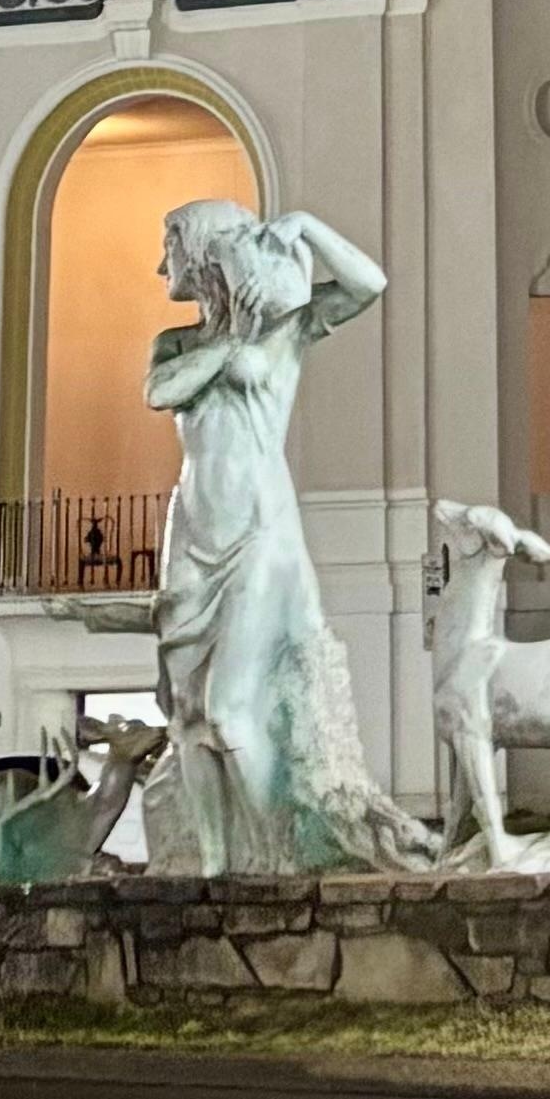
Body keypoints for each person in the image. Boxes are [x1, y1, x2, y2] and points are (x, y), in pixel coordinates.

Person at [140, 197, 427, 871]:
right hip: (191, 536)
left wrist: (307, 225)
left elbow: (369, 284)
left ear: (205, 250)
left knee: (230, 709)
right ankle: (213, 866)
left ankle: (277, 855)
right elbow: (161, 391)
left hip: (258, 535)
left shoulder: (288, 328)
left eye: (170, 248)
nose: (162, 266)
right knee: (186, 714)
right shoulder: (177, 343)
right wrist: (230, 344)